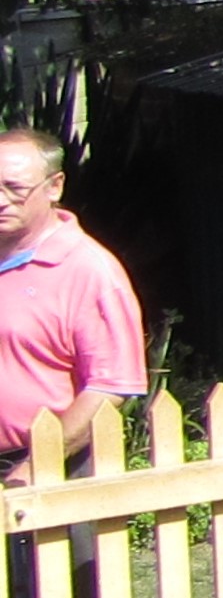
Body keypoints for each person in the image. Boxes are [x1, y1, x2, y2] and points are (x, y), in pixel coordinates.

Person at [0, 130, 147, 484]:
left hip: (45, 469)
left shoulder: (88, 271)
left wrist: (34, 469)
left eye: (15, 188)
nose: (0, 200)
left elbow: (110, 387)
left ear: (55, 187)